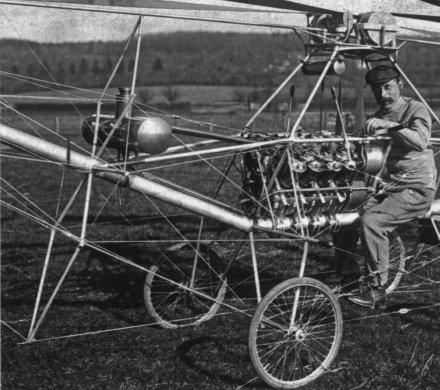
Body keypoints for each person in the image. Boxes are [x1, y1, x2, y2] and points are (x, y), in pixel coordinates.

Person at [347, 64, 437, 308]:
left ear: (400, 85)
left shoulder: (414, 108)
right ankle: (346, 273)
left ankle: (377, 290)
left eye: (387, 87)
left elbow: (421, 141)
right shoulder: (379, 115)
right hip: (388, 186)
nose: (383, 94)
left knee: (373, 221)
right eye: (377, 89)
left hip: (417, 188)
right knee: (343, 212)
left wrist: (390, 126)